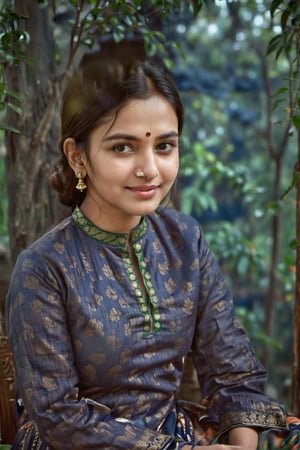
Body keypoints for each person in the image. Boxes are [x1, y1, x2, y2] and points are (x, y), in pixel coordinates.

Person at [5, 55, 300, 450]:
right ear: (78, 157)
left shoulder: (185, 240)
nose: (151, 169)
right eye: (123, 147)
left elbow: (233, 374)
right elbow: (59, 415)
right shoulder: (43, 268)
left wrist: (240, 444)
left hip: (175, 435)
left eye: (164, 146)